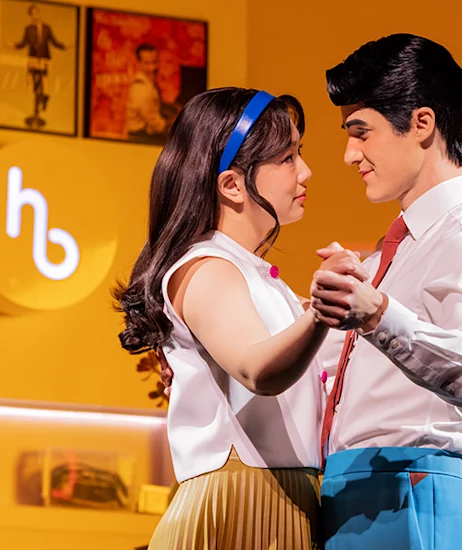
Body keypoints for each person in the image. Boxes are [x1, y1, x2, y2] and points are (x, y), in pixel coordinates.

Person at [113, 87, 365, 549]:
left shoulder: (257, 278)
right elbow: (257, 369)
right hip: (244, 501)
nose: (305, 172)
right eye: (287, 158)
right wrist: (323, 310)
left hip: (281, 496)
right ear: (232, 184)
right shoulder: (206, 268)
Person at [308, 33, 462, 550]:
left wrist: (376, 314)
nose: (348, 154)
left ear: (422, 123)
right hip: (355, 494)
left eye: (361, 132)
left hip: (412, 494)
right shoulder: (390, 256)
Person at [12, 3, 66, 122]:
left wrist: (63, 46)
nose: (36, 15)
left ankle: (39, 106)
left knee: (44, 79)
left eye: (37, 12)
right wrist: (13, 46)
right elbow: (23, 43)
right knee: (32, 82)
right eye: (33, 13)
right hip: (32, 58)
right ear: (30, 15)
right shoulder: (28, 29)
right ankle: (42, 99)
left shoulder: (47, 28)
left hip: (44, 58)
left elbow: (54, 41)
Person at [123, 43, 170, 144]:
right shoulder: (141, 89)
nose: (152, 68)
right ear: (138, 64)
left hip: (145, 135)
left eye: (154, 62)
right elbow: (155, 124)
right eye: (147, 63)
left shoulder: (149, 84)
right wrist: (173, 123)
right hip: (140, 138)